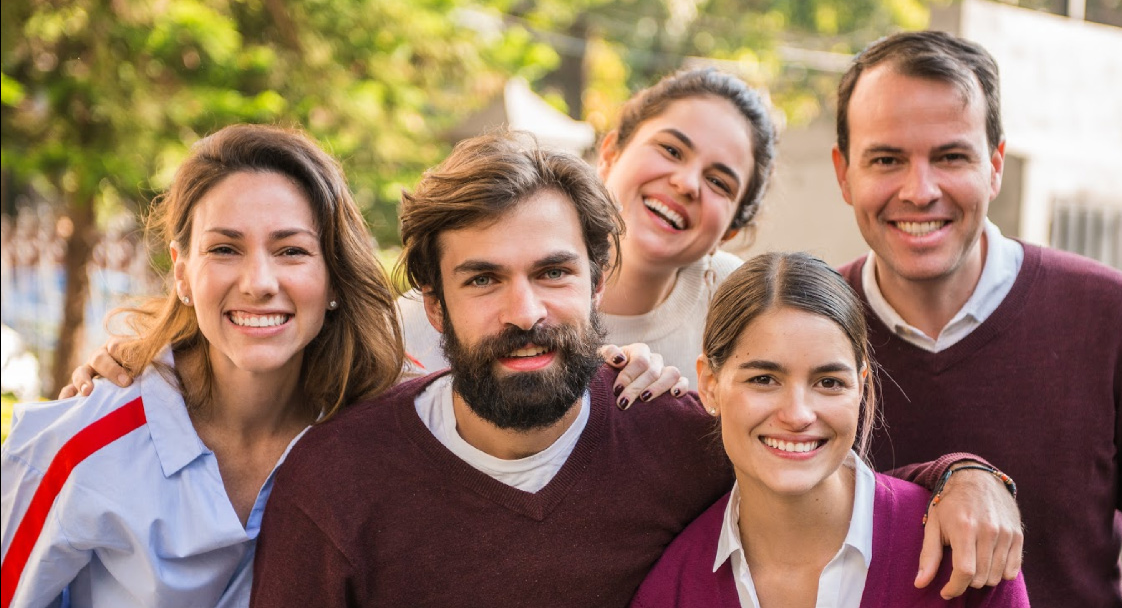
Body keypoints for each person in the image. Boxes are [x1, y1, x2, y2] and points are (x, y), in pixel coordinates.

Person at [249, 132, 1000, 608]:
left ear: (597, 279)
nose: (526, 312)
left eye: (552, 273)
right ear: (434, 307)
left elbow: (825, 475)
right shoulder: (337, 482)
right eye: (482, 280)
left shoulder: (682, 441)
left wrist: (962, 477)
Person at [830, 30, 1122, 606]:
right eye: (887, 159)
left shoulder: (1114, 318)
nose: (920, 189)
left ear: (995, 166)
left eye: (951, 157)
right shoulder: (807, 333)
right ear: (843, 173)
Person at [0, 124, 404, 608]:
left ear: (335, 276)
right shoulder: (86, 442)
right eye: (224, 249)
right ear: (182, 272)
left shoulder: (381, 436)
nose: (258, 282)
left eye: (291, 251)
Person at [633, 251, 1030, 607]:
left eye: (829, 383)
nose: (798, 414)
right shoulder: (673, 588)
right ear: (709, 385)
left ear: (861, 388)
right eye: (763, 379)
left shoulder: (963, 553)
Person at [396, 68, 777, 391]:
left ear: (730, 229)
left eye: (719, 183)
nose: (687, 184)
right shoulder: (424, 316)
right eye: (671, 150)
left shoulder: (749, 305)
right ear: (610, 154)